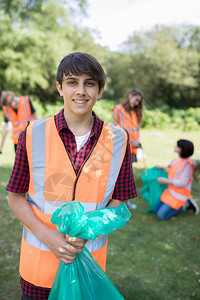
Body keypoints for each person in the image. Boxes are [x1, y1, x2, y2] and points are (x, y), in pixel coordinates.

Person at [6, 52, 137, 300]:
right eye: (72, 82)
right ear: (59, 87)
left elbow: (119, 200)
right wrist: (49, 237)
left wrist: (88, 232)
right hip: (39, 269)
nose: (81, 91)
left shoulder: (119, 140)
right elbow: (15, 197)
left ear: (100, 91)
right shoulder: (32, 133)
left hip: (88, 264)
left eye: (90, 83)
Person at [113, 88, 144, 209]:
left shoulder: (134, 112)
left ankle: (125, 202)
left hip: (133, 149)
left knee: (127, 177)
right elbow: (116, 129)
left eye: (139, 102)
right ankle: (121, 202)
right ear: (130, 95)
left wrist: (137, 142)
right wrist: (131, 141)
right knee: (121, 177)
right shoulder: (118, 109)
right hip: (123, 148)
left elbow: (136, 130)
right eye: (136, 100)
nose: (137, 103)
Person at [154, 139, 199, 220]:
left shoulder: (187, 166)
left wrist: (165, 180)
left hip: (179, 195)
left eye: (178, 146)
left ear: (183, 149)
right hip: (170, 192)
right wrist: (164, 167)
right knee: (155, 210)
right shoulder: (177, 159)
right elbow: (174, 173)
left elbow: (183, 182)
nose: (175, 147)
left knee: (161, 216)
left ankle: (186, 205)